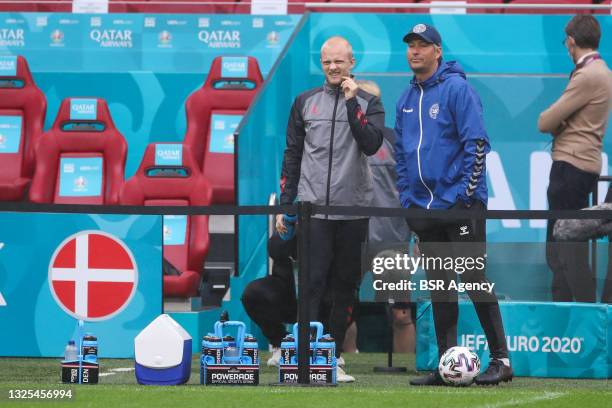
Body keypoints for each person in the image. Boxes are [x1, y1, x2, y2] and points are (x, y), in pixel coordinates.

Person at [395, 23, 512, 385]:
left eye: (422, 45)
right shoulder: (404, 99)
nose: (415, 51)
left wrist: (464, 197)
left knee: (474, 279)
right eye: (411, 45)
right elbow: (401, 156)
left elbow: (477, 145)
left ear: (438, 51)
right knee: (440, 285)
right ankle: (448, 366)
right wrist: (408, 201)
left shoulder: (458, 89)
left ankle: (502, 360)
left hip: (461, 206)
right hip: (424, 210)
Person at [276, 36, 385, 382]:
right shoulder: (305, 102)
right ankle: (304, 354)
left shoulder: (370, 102)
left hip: (353, 209)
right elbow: (292, 155)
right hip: (312, 211)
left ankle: (334, 355)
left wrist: (353, 103)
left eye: (340, 61)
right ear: (321, 65)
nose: (334, 68)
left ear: (352, 62)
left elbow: (370, 145)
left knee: (345, 285)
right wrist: (285, 206)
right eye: (327, 63)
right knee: (311, 284)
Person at [538, 14, 611, 303]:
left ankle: (575, 323)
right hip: (580, 165)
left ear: (571, 41)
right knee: (567, 249)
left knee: (564, 252)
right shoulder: (599, 72)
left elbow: (545, 121)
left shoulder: (589, 74)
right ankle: (576, 321)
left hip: (571, 167)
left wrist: (558, 123)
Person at [357, 79, 415, 353]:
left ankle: (404, 370)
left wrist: (418, 235)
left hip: (392, 240)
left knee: (401, 313)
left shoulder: (396, 142)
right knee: (342, 308)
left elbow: (413, 190)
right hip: (350, 237)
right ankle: (341, 364)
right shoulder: (341, 142)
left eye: (373, 100)